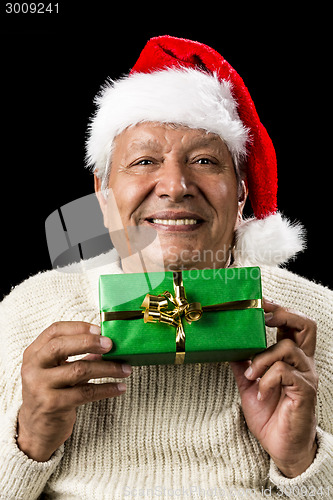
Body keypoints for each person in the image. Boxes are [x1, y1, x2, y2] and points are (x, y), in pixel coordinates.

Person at [0, 35, 332, 499]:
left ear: (240, 193)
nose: (175, 186)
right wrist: (30, 441)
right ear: (103, 193)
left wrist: (301, 460)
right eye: (144, 161)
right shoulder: (28, 311)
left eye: (204, 160)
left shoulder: (316, 317)